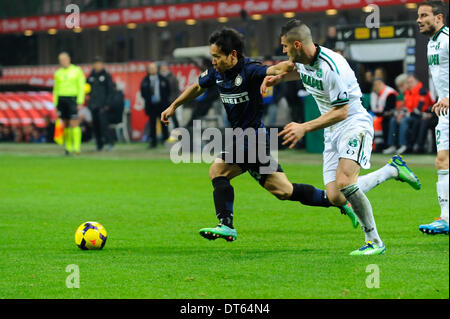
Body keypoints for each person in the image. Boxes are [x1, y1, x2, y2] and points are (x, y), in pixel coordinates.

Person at [161, 27, 358, 242]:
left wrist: (292, 64)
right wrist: (173, 106)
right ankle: (337, 201)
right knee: (284, 190)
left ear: (233, 54)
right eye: (212, 56)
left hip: (252, 138)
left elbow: (275, 69)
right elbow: (197, 87)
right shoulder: (216, 72)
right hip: (248, 140)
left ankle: (226, 224)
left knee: (218, 171)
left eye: (217, 56)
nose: (214, 61)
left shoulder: (250, 70)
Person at [262, 20, 421, 255]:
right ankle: (392, 170)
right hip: (332, 129)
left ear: (297, 44)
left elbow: (342, 111)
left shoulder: (332, 67)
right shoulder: (304, 59)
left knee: (346, 183)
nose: (283, 51)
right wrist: (278, 77)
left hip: (352, 123)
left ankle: (374, 241)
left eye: (285, 46)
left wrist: (304, 127)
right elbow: (294, 70)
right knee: (335, 196)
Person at [417, 1, 449, 235]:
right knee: (442, 161)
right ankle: (445, 218)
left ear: (439, 18)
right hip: (445, 111)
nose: (419, 20)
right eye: (418, 16)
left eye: (424, 15)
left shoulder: (448, 39)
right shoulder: (431, 44)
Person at [53, 52, 85, 155]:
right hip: (62, 99)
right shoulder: (58, 73)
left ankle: (77, 148)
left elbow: (81, 86)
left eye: (64, 59)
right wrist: (55, 102)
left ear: (69, 59)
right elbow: (56, 89)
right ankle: (68, 147)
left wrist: (80, 101)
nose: (63, 62)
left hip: (72, 99)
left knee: (74, 122)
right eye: (61, 60)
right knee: (65, 124)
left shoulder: (77, 71)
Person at [86, 56, 115, 151]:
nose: (96, 65)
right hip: (93, 104)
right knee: (96, 125)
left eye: (98, 63)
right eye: (95, 63)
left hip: (103, 105)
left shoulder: (106, 75)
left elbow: (111, 90)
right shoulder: (91, 76)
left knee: (104, 125)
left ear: (101, 64)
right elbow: (86, 88)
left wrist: (108, 103)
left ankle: (110, 142)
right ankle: (99, 144)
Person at [141, 62, 170, 148]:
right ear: (148, 70)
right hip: (151, 106)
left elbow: (168, 91)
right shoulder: (145, 80)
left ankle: (165, 140)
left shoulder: (163, 79)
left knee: (164, 123)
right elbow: (143, 93)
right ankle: (153, 142)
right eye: (151, 68)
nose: (152, 69)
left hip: (161, 105)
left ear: (157, 69)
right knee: (152, 124)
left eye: (154, 68)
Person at [371, 77, 398, 152]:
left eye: (376, 85)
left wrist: (380, 114)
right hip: (378, 115)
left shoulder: (390, 93)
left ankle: (381, 145)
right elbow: (373, 108)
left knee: (379, 121)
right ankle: (373, 145)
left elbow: (390, 109)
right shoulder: (375, 93)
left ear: (381, 84)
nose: (374, 87)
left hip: (389, 115)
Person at [160, 62, 181, 128]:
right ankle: (166, 134)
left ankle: (177, 131)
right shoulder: (159, 77)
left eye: (164, 66)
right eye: (162, 67)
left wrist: (173, 99)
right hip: (162, 101)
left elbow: (176, 90)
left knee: (174, 117)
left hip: (171, 101)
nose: (163, 68)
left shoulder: (172, 77)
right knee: (163, 118)